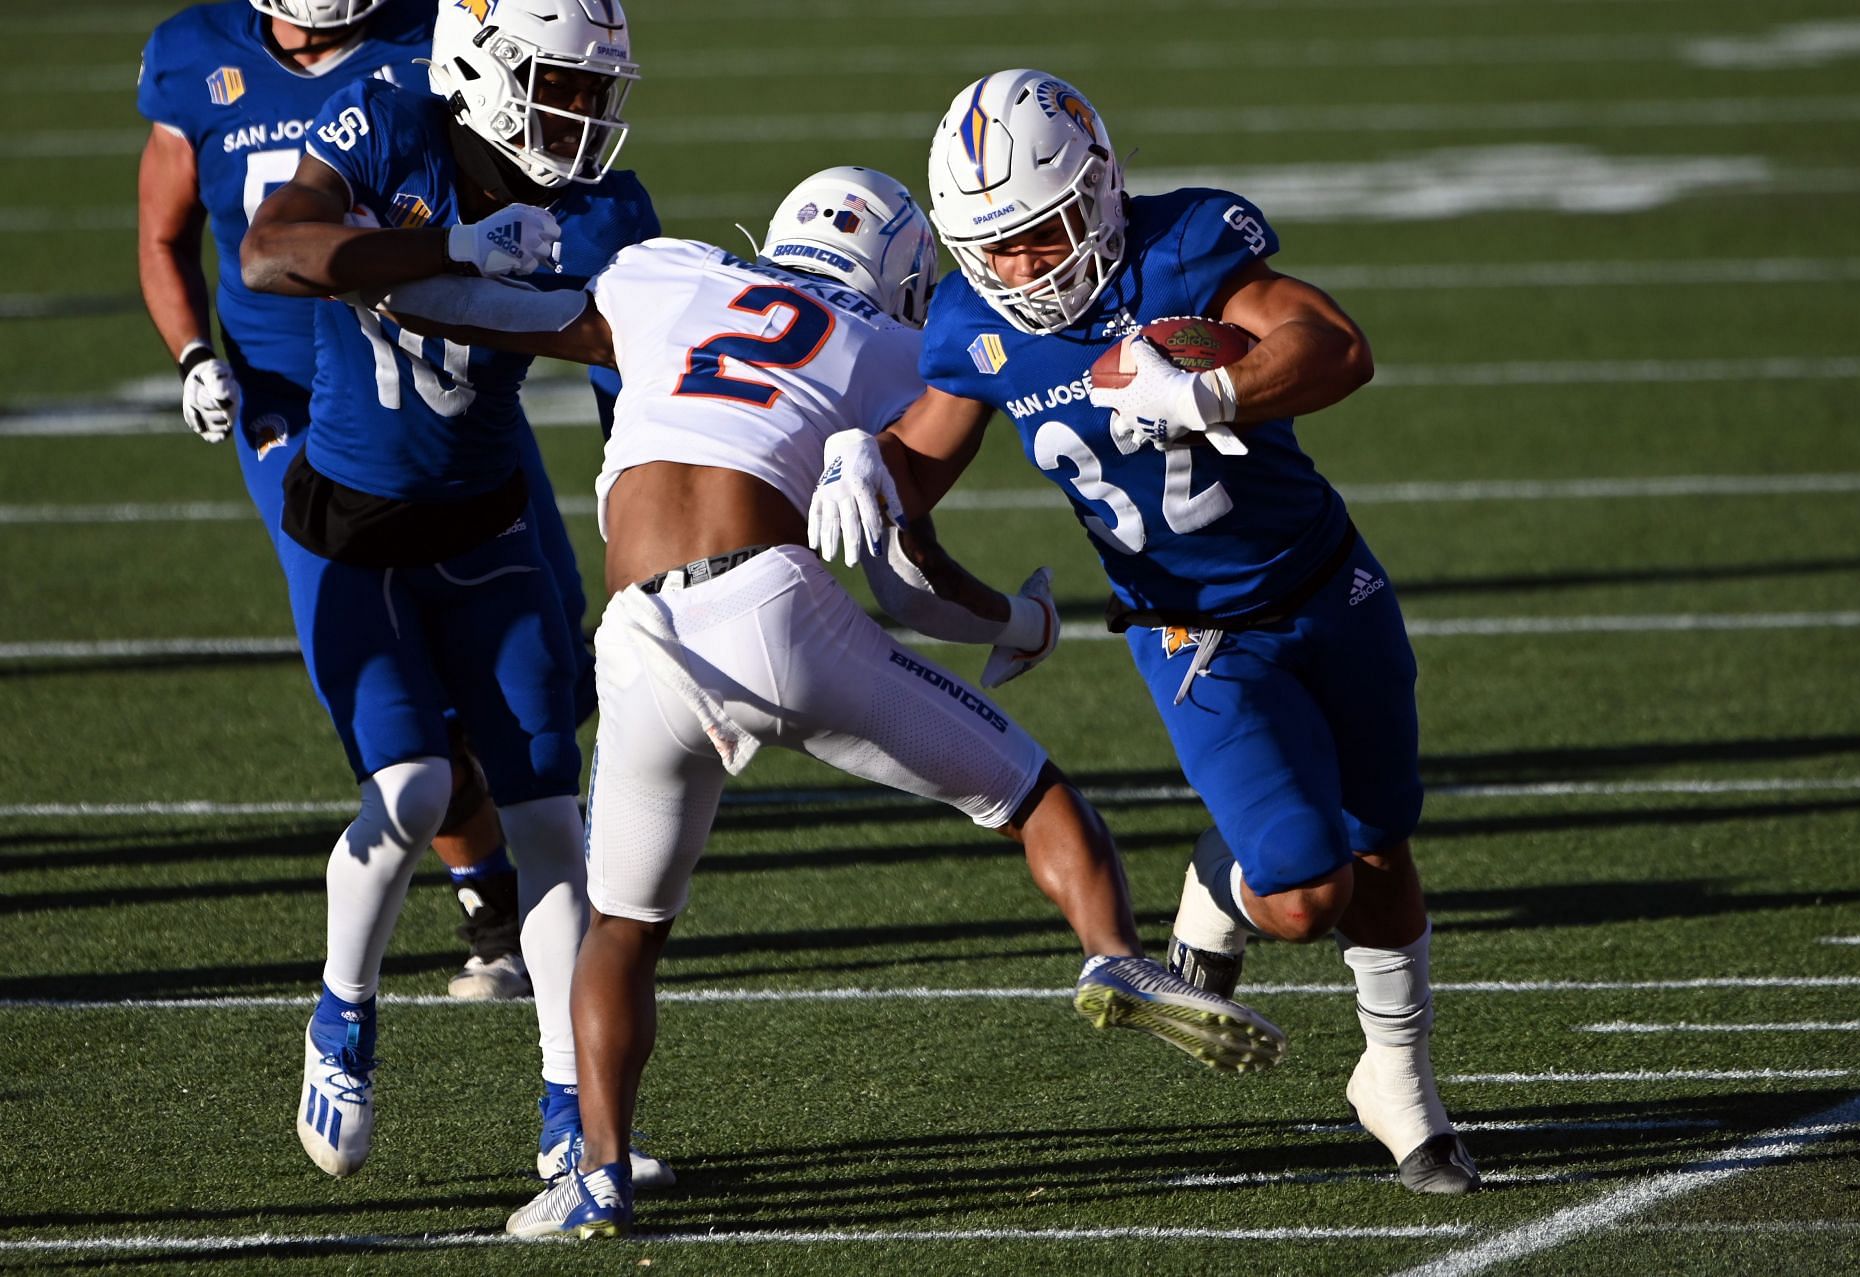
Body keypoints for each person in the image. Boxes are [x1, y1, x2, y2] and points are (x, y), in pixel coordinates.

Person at [370, 165, 1289, 1239]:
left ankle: (598, 1171)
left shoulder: (668, 276)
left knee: (623, 925)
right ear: (904, 268)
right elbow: (905, 576)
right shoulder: (905, 349)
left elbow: (506, 314)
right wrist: (1017, 624)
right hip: (769, 604)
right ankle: (1110, 950)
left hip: (636, 634)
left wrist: (382, 285)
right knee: (1032, 794)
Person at [808, 70, 1481, 1195]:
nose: (1024, 265)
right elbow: (919, 452)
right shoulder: (977, 326)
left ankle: (1399, 1082)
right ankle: (1222, 884)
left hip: (1327, 580)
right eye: (999, 244)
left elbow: (1335, 344)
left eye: (1042, 231)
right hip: (1190, 631)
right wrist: (857, 459)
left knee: (1382, 839)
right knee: (1306, 891)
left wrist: (1210, 393)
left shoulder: (1182, 249)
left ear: (1101, 189)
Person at [236, 0, 670, 1185]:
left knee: (548, 820)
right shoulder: (388, 119)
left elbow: (639, 388)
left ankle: (568, 1108)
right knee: (416, 785)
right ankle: (343, 1013)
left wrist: (651, 572)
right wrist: (452, 250)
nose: (581, 118)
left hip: (489, 525)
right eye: (558, 87)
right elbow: (269, 252)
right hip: (355, 531)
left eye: (593, 92)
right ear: (481, 68)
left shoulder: (605, 210)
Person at [133, 0, 586, 1000]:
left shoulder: (432, 41)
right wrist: (194, 353)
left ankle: (499, 840)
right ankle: (488, 897)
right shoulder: (196, 55)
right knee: (402, 685)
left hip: (457, 380)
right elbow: (170, 236)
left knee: (562, 660)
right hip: (300, 410)